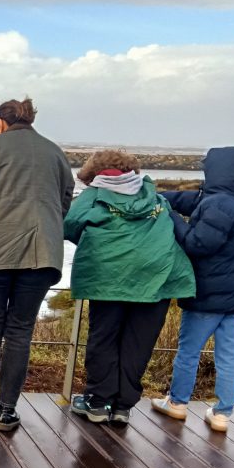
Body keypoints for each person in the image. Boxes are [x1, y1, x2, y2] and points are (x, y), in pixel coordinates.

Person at [0, 98, 74, 432]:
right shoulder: (55, 152)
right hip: (42, 251)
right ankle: (7, 411)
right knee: (21, 331)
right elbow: (65, 200)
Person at [64, 150, 195, 424]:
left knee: (104, 338)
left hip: (108, 277)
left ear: (94, 172)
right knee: (139, 343)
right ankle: (122, 407)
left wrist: (100, 244)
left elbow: (70, 225)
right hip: (156, 278)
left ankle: (98, 402)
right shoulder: (155, 196)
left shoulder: (94, 195)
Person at [152, 147, 234, 432]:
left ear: (219, 170)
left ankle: (177, 403)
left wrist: (171, 217)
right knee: (231, 357)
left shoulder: (219, 203)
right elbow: (196, 201)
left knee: (188, 352)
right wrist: (158, 195)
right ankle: (222, 414)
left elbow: (198, 244)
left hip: (207, 294)